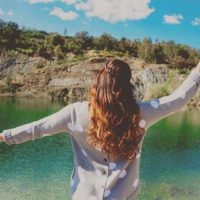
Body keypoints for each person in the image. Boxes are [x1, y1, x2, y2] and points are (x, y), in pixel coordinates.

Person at [0, 59, 200, 200]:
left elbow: (37, 129)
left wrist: (4, 136)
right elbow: (177, 99)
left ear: (98, 84)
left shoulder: (75, 113)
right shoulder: (140, 114)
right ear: (126, 85)